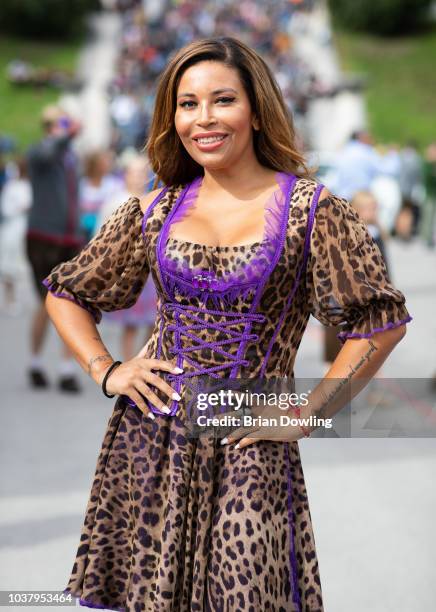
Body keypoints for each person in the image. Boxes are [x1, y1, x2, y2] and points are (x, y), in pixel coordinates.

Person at [43, 37, 412, 611]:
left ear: (257, 110)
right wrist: (107, 369)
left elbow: (381, 321)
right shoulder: (154, 209)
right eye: (187, 104)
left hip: (249, 436)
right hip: (149, 439)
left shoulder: (312, 210)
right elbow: (67, 293)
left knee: (244, 596)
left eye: (222, 100)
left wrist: (309, 412)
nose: (204, 119)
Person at [26, 105, 83, 392]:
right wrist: (68, 132)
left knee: (70, 303)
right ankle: (35, 362)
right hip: (43, 238)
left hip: (69, 239)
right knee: (46, 302)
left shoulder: (71, 157)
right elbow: (50, 150)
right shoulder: (39, 152)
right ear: (49, 125)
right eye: (60, 122)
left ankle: (66, 369)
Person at [97, 154, 158, 361]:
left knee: (154, 321)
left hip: (150, 270)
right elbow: (102, 236)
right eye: (135, 172)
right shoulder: (117, 201)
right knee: (131, 323)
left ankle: (142, 360)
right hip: (128, 270)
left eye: (143, 172)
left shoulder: (154, 200)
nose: (139, 176)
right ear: (126, 175)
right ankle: (128, 362)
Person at [0, 157, 32, 315]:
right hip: (13, 228)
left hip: (24, 228)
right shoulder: (12, 186)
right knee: (8, 264)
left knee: (20, 264)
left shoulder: (29, 186)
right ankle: (9, 298)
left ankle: (16, 298)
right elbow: (6, 208)